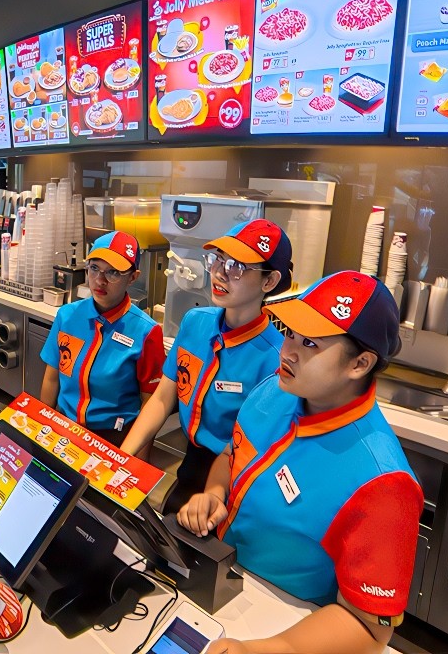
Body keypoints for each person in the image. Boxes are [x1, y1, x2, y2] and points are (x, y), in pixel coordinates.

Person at [179, 271, 422, 654]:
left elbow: (369, 629)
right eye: (290, 332)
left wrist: (263, 649)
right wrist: (213, 493)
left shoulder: (383, 483)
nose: (287, 351)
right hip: (218, 585)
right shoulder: (274, 390)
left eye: (310, 343)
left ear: (360, 363)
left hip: (286, 623)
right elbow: (231, 454)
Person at [122, 220, 292, 512]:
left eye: (237, 267)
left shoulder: (275, 359)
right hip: (191, 465)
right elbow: (163, 399)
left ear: (269, 282)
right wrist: (121, 457)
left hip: (235, 484)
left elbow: (253, 446)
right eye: (218, 260)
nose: (219, 273)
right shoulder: (195, 322)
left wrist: (214, 496)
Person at [39, 232, 165, 450]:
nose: (100, 280)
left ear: (133, 277)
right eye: (94, 268)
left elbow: (150, 404)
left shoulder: (146, 332)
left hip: (113, 440)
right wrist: (41, 427)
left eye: (113, 272)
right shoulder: (67, 316)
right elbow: (51, 379)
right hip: (64, 428)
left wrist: (136, 462)